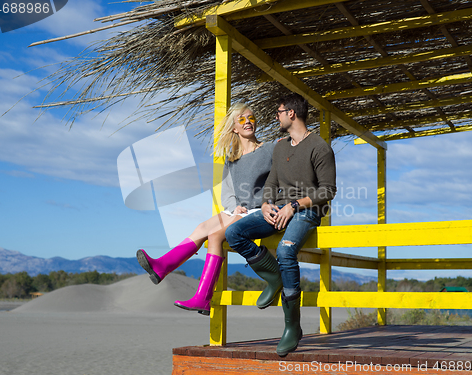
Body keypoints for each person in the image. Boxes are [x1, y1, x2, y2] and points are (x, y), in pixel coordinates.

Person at [137, 102, 275, 316]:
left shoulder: (269, 149)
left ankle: (203, 297)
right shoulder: (232, 160)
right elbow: (227, 193)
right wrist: (234, 207)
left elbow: (279, 180)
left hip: (259, 211)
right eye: (242, 119)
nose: (248, 122)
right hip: (238, 210)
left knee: (216, 236)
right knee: (202, 226)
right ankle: (162, 266)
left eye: (251, 118)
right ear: (234, 128)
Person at [225, 93, 337, 356]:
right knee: (234, 232)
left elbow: (328, 190)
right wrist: (265, 204)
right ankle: (273, 277)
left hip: (305, 211)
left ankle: (291, 327)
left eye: (278, 112)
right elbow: (272, 183)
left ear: (291, 114)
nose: (275, 116)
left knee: (286, 250)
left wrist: (295, 205)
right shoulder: (280, 147)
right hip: (276, 209)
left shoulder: (320, 147)